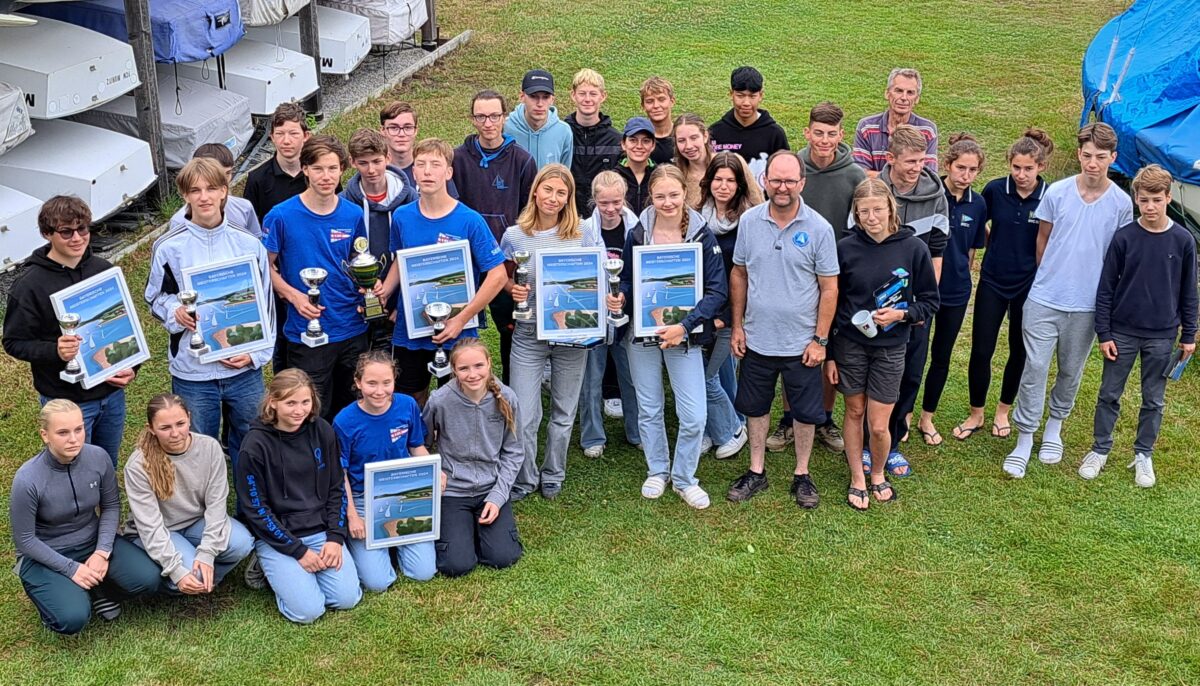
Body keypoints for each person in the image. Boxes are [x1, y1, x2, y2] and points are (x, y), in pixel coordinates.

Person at [1004, 122, 1133, 478]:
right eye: (1087, 155)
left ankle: (1054, 429)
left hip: (1088, 306)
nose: (1093, 163)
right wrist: (1052, 277)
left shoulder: (1122, 204)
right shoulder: (1057, 193)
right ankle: (1025, 437)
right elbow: (1042, 240)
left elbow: (1118, 258)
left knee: (1070, 372)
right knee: (1034, 369)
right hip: (1045, 298)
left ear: (1113, 158)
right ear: (1079, 154)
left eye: (1101, 157)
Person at [725, 151, 838, 508]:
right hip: (757, 338)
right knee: (756, 408)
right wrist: (738, 326)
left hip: (801, 342)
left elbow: (829, 288)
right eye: (776, 180)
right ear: (765, 181)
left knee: (805, 413)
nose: (783, 187)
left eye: (790, 180)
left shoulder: (819, 228)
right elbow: (739, 273)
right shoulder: (749, 222)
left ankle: (802, 474)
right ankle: (756, 471)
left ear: (802, 183)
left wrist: (820, 340)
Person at [146, 158, 273, 470]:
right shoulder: (168, 248)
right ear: (185, 196)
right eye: (195, 190)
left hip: (243, 368)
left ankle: (251, 510)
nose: (204, 197)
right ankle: (203, 515)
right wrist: (176, 313)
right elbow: (154, 297)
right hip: (194, 371)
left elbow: (265, 302)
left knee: (253, 444)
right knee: (197, 449)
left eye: (211, 188)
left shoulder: (248, 243)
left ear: (224, 192)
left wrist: (257, 355)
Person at [614, 164, 728, 509]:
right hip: (642, 333)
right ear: (651, 196)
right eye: (660, 196)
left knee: (693, 414)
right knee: (649, 408)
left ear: (685, 194)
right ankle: (658, 470)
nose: (668, 202)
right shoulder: (637, 233)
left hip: (684, 334)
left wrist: (684, 325)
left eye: (674, 195)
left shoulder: (701, 234)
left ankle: (684, 478)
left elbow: (716, 291)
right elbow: (629, 280)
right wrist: (620, 295)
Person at [1081, 164, 1196, 487]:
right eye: (1144, 200)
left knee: (1154, 399)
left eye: (1156, 200)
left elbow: (1189, 292)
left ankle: (1143, 453)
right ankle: (1100, 448)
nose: (1150, 207)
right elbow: (1105, 289)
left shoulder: (1183, 240)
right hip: (1122, 332)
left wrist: (1189, 335)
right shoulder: (1124, 237)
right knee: (1109, 394)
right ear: (1136, 200)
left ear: (1168, 198)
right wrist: (1104, 333)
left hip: (1162, 336)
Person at [827, 179, 938, 510]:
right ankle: (857, 478)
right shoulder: (845, 248)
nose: (872, 217)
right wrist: (830, 355)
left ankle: (877, 472)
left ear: (892, 208)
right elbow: (832, 304)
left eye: (878, 210)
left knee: (877, 424)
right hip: (850, 344)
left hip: (891, 347)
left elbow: (931, 301)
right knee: (854, 410)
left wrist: (902, 314)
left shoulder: (913, 248)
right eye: (864, 212)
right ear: (856, 215)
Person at [3, 196, 135, 467]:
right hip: (66, 402)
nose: (77, 238)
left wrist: (132, 367)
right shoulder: (29, 285)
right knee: (72, 471)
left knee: (106, 465)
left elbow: (125, 326)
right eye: (66, 231)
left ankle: (107, 509)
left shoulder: (104, 271)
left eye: (82, 229)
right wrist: (55, 350)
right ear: (47, 234)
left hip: (111, 396)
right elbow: (14, 342)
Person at [11, 400, 160, 635]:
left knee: (149, 579)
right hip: (47, 554)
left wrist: (102, 552)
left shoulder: (98, 458)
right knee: (72, 619)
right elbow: (25, 540)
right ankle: (61, 599)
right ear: (45, 435)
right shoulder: (27, 479)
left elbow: (110, 506)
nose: (74, 439)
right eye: (63, 432)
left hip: (91, 543)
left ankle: (100, 590)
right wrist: (71, 569)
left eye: (79, 429)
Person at [381, 138, 508, 406]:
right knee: (411, 399)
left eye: (435, 165)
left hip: (458, 330)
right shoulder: (402, 217)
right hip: (412, 329)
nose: (427, 171)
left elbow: (497, 275)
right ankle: (422, 446)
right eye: (421, 164)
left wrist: (461, 319)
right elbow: (399, 262)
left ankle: (454, 449)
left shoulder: (470, 220)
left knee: (459, 400)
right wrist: (384, 292)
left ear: (448, 172)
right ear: (413, 171)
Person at [502, 164, 599, 500]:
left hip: (572, 337)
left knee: (563, 409)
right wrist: (511, 291)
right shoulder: (514, 235)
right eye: (548, 190)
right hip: (529, 335)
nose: (553, 198)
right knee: (524, 413)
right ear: (535, 191)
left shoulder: (583, 233)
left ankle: (554, 472)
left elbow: (597, 281)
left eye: (562, 193)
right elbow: (502, 277)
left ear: (569, 198)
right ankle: (525, 477)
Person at [236, 369, 362, 624]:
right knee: (308, 612)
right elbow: (256, 509)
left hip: (321, 530)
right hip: (279, 536)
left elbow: (336, 486)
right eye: (290, 403)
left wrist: (336, 538)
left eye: (305, 402)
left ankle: (295, 576)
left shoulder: (322, 431)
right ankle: (268, 566)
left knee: (346, 598)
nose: (298, 410)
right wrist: (298, 551)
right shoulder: (254, 445)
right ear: (273, 401)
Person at [779, 101, 866, 454]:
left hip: (836, 276)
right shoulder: (794, 170)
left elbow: (861, 226)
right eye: (818, 133)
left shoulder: (854, 176)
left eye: (831, 134)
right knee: (792, 348)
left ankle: (825, 418)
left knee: (827, 347)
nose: (824, 140)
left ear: (841, 135)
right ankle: (788, 419)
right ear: (807, 132)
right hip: (795, 274)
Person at [264, 136, 371, 421]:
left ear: (342, 171)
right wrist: (293, 295)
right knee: (309, 411)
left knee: (351, 408)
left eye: (333, 169)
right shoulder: (281, 216)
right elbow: (265, 268)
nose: (327, 176)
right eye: (319, 169)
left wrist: (370, 289)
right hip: (306, 331)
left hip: (351, 327)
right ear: (305, 170)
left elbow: (359, 263)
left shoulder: (353, 213)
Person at [955, 129, 1053, 441]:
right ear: (1009, 165)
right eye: (1016, 167)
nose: (1022, 174)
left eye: (1028, 168)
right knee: (981, 349)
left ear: (1041, 167)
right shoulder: (995, 190)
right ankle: (976, 413)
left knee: (1019, 350)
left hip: (1029, 286)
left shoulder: (1050, 197)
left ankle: (1002, 411)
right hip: (993, 281)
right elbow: (978, 224)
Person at [123, 394, 254, 594]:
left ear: (190, 418)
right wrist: (175, 570)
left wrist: (208, 552)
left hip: (195, 522)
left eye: (180, 423)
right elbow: (150, 526)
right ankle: (180, 582)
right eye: (165, 428)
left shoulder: (210, 447)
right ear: (151, 428)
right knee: (188, 574)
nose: (175, 433)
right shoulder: (138, 465)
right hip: (162, 531)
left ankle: (202, 580)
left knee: (242, 542)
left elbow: (217, 505)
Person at [876, 124, 949, 474]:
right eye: (909, 161)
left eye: (921, 160)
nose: (917, 167)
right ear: (890, 159)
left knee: (910, 375)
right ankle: (867, 441)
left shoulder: (936, 195)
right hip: (876, 304)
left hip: (915, 307)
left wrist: (922, 303)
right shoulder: (872, 190)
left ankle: (892, 439)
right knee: (872, 376)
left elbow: (937, 252)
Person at [452, 90, 537, 383]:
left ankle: (514, 392)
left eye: (494, 116)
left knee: (510, 330)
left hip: (506, 261)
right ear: (472, 119)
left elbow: (529, 215)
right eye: (481, 116)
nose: (488, 123)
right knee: (456, 327)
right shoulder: (457, 160)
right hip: (465, 261)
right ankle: (456, 395)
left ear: (504, 117)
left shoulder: (523, 161)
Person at [333, 351, 435, 591]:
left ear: (394, 381)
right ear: (358, 383)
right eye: (371, 383)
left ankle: (389, 543)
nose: (379, 391)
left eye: (386, 383)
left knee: (424, 572)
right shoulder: (344, 422)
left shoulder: (407, 405)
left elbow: (416, 446)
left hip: (403, 493)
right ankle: (371, 547)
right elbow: (341, 474)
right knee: (377, 582)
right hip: (362, 499)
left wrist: (433, 473)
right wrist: (352, 517)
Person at [423, 339, 524, 576]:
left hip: (490, 488)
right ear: (453, 370)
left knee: (504, 557)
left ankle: (479, 529)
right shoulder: (440, 400)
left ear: (489, 364)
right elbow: (422, 444)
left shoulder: (507, 397)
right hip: (453, 492)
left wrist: (498, 497)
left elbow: (514, 451)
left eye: (479, 365)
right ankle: (462, 531)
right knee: (456, 565)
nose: (472, 374)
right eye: (463, 368)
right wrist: (436, 473)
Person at [915, 134, 987, 446]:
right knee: (913, 355)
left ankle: (926, 416)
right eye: (961, 168)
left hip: (956, 292)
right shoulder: (930, 195)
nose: (965, 175)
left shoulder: (979, 203)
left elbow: (972, 251)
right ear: (947, 165)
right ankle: (902, 413)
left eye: (972, 170)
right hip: (923, 290)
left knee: (941, 356)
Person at [697, 152, 762, 459]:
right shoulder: (696, 217)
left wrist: (729, 317)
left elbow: (748, 273)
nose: (723, 187)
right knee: (721, 373)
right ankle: (714, 428)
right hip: (705, 310)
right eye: (718, 180)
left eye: (730, 181)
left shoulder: (749, 222)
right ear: (708, 182)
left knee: (710, 375)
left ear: (740, 185)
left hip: (733, 312)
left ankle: (732, 428)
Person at [245, 102, 313, 374]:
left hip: (311, 263)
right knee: (281, 337)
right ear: (271, 137)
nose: (287, 140)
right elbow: (251, 229)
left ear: (305, 136)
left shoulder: (317, 173)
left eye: (293, 133)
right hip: (276, 274)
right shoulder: (258, 179)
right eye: (280, 133)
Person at [577, 171, 642, 458]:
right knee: (591, 377)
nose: (611, 208)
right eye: (604, 203)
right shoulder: (583, 231)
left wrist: (624, 297)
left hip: (627, 315)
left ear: (624, 198)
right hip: (594, 315)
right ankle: (592, 436)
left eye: (616, 201)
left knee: (632, 376)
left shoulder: (639, 228)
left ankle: (637, 431)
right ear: (594, 201)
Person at [340, 128, 418, 351]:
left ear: (388, 158)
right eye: (363, 163)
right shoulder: (344, 202)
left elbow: (412, 249)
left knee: (403, 367)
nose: (371, 170)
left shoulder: (410, 198)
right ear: (353, 162)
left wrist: (396, 296)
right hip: (361, 295)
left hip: (401, 292)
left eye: (376, 161)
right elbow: (345, 254)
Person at [708, 66, 790, 184]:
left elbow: (785, 173)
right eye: (740, 96)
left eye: (752, 96)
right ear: (731, 94)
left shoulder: (775, 134)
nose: (746, 103)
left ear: (761, 95)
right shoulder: (715, 132)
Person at [852, 68, 938, 176]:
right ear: (887, 94)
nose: (904, 98)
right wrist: (897, 180)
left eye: (910, 93)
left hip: (913, 193)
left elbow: (929, 176)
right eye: (899, 91)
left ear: (917, 99)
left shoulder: (927, 130)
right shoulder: (867, 127)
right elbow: (859, 174)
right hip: (875, 192)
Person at [169, 143, 261, 237]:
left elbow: (255, 240)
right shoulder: (179, 221)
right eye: (216, 176)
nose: (224, 181)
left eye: (228, 173)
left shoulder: (244, 208)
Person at [565, 68, 621, 215]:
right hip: (566, 213)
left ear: (603, 96)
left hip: (602, 216)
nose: (587, 99)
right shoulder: (562, 133)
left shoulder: (616, 140)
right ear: (573, 95)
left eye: (593, 94)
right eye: (582, 93)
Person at [378, 100, 459, 197]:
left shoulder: (432, 166)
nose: (401, 134)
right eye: (394, 128)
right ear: (382, 130)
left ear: (416, 130)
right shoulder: (374, 170)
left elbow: (451, 206)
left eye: (408, 127)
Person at [504, 69, 573, 169]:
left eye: (545, 97)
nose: (540, 104)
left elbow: (563, 174)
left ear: (552, 100)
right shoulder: (505, 128)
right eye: (533, 96)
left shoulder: (564, 131)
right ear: (522, 97)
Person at [615, 117, 658, 215]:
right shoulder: (614, 177)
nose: (639, 146)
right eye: (633, 140)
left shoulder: (660, 176)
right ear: (623, 144)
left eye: (646, 141)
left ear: (653, 145)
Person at [672, 113, 714, 209]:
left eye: (694, 138)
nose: (689, 146)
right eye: (681, 140)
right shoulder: (676, 177)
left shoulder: (729, 164)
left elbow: (755, 203)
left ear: (705, 136)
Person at [640, 76, 677, 164]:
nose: (656, 106)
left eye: (661, 99)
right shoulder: (637, 141)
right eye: (650, 101)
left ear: (672, 101)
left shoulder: (683, 137)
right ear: (643, 106)